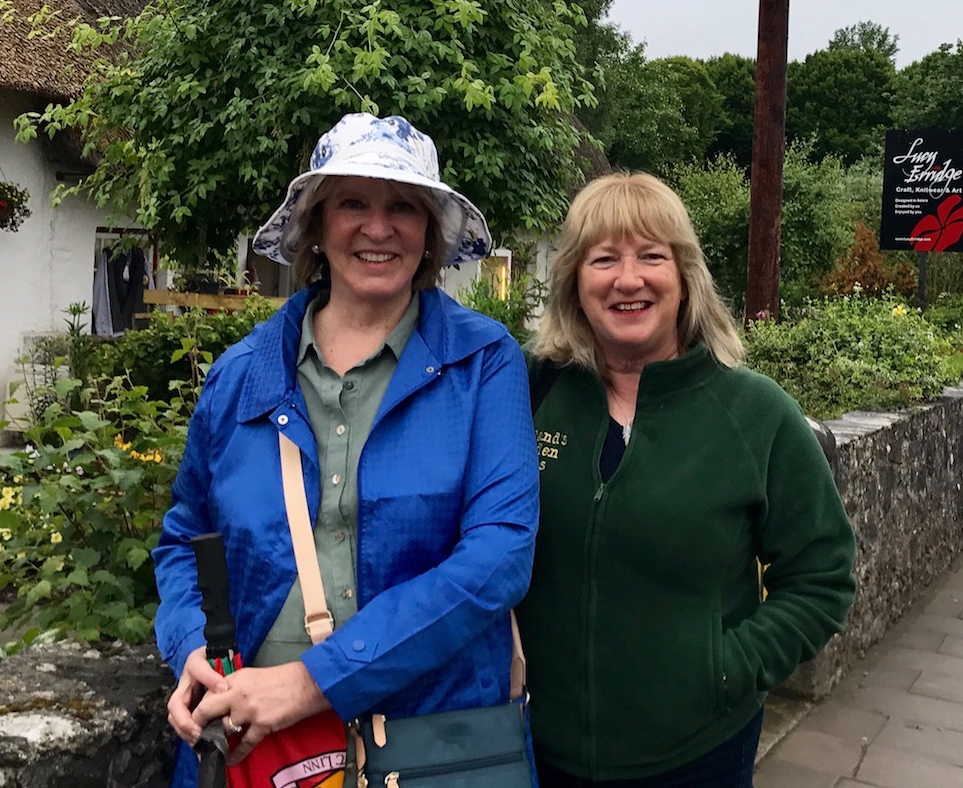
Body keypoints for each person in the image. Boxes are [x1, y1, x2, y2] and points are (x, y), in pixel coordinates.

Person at [153, 112, 539, 788]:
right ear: (316, 226)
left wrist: (311, 681)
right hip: (257, 750)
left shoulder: (483, 364)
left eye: (403, 207)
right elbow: (186, 540)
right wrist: (190, 646)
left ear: (430, 234)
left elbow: (499, 556)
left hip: (431, 742)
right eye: (352, 203)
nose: (378, 227)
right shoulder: (242, 375)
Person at [518, 171, 856, 787]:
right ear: (573, 281)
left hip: (697, 755)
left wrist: (726, 668)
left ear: (684, 278)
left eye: (652, 255)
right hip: (535, 752)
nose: (628, 279)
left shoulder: (755, 414)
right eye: (603, 259)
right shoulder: (528, 392)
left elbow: (823, 580)